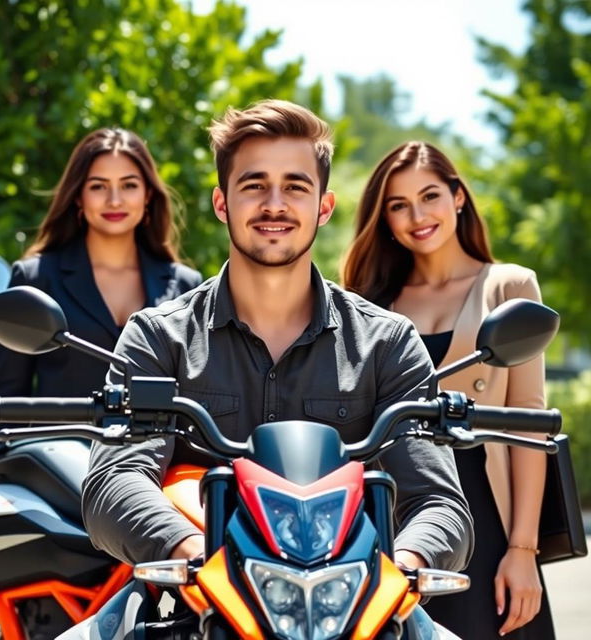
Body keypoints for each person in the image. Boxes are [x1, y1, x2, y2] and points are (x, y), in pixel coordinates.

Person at [82, 100, 473, 583]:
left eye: (295, 186)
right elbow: (113, 480)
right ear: (221, 202)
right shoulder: (158, 336)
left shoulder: (388, 343)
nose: (274, 205)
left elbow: (438, 502)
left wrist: (398, 571)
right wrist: (199, 557)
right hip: (190, 605)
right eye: (254, 185)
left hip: (354, 606)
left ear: (323, 207)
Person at [342, 140, 555, 639]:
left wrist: (522, 550)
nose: (418, 215)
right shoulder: (368, 304)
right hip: (396, 509)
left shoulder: (509, 286)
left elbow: (527, 422)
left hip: (485, 506)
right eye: (398, 205)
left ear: (458, 196)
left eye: (430, 195)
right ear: (385, 219)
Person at [0, 128, 202, 449]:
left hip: (157, 473)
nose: (114, 199)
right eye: (98, 186)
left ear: (147, 195)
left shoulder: (186, 284)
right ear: (78, 196)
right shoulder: (36, 277)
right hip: (57, 467)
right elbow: (8, 395)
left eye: (129, 185)